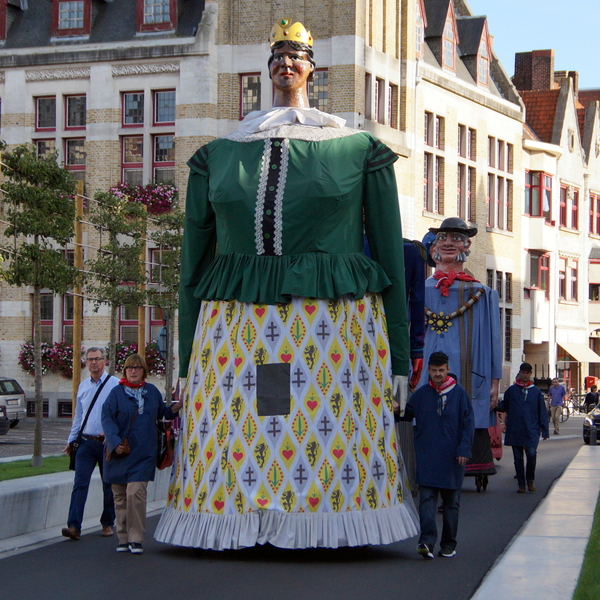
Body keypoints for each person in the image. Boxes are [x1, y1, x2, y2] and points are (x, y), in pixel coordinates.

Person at [154, 19, 419, 550]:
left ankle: (322, 524)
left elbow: (389, 255)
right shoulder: (219, 155)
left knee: (323, 430)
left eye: (297, 54)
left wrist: (396, 356)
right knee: (242, 429)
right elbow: (191, 266)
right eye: (277, 53)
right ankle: (242, 524)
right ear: (267, 68)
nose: (286, 62)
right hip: (233, 329)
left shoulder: (356, 149)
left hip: (334, 328)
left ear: (312, 68)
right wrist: (183, 360)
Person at [420, 217, 501, 492]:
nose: (449, 243)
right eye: (443, 237)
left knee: (465, 415)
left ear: (467, 245)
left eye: (456, 238)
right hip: (425, 375)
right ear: (433, 247)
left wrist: (495, 381)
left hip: (470, 372)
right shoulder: (419, 290)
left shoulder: (481, 293)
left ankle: (469, 469)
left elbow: (493, 339)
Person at [101, 354, 182, 554]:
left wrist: (180, 405)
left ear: (143, 371)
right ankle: (123, 538)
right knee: (120, 498)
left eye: (137, 368)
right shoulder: (116, 393)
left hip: (144, 454)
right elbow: (107, 418)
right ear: (125, 371)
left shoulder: (151, 392)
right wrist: (114, 443)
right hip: (119, 454)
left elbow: (162, 413)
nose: (133, 371)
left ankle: (136, 538)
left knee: (135, 494)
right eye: (130, 368)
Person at [400, 351, 474, 559]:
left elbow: (468, 424)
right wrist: (397, 410)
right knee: (426, 501)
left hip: (453, 458)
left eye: (441, 370)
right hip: (427, 456)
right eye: (434, 371)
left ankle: (449, 544)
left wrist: (464, 449)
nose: (438, 374)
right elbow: (407, 413)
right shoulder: (422, 394)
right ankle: (426, 542)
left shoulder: (459, 394)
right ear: (429, 371)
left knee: (451, 503)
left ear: (448, 369)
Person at [62, 347, 119, 541]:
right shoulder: (83, 386)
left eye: (97, 359)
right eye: (90, 360)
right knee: (80, 483)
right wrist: (72, 439)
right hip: (85, 442)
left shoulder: (115, 385)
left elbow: (121, 414)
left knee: (108, 484)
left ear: (105, 361)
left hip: (106, 443)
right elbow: (79, 415)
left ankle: (107, 523)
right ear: (86, 363)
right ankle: (73, 526)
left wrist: (113, 435)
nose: (94, 363)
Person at [497, 363, 549, 493]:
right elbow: (504, 405)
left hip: (531, 429)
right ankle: (521, 484)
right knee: (518, 458)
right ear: (520, 373)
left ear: (530, 374)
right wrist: (492, 404)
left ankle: (530, 480)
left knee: (531, 454)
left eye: (527, 372)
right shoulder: (512, 390)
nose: (524, 375)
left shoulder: (536, 391)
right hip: (515, 428)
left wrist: (545, 430)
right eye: (523, 372)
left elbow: (542, 411)